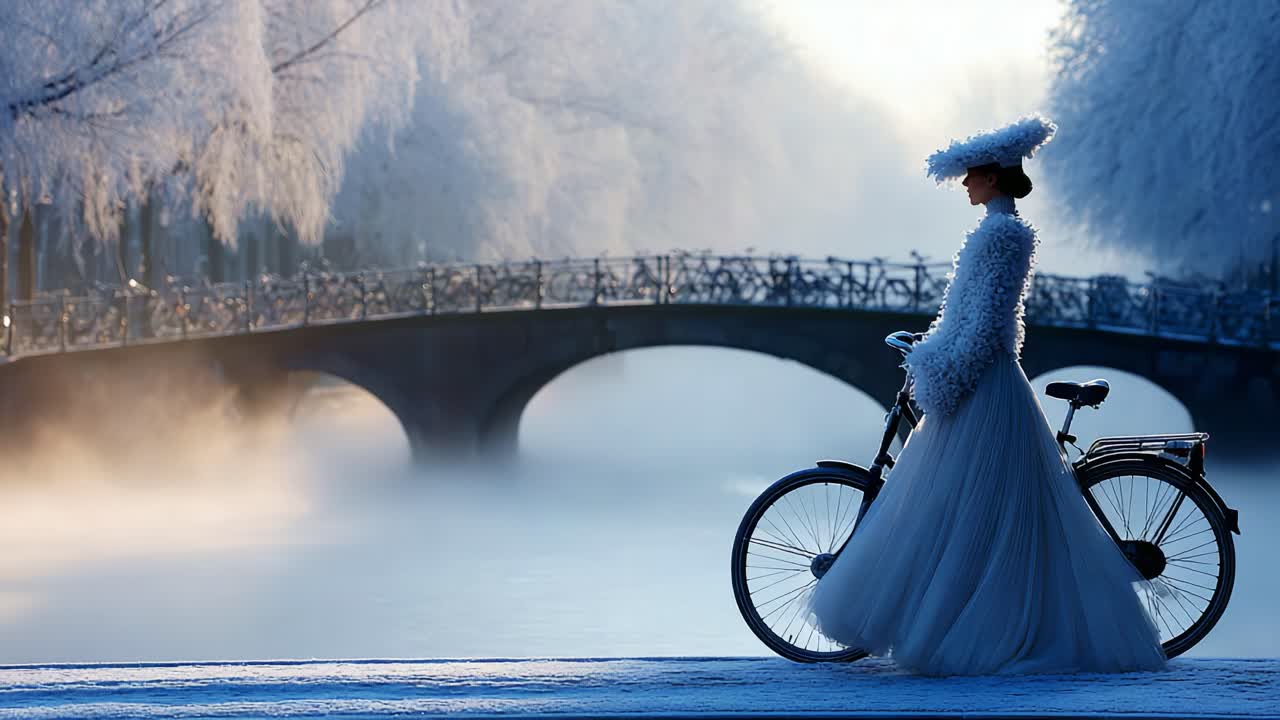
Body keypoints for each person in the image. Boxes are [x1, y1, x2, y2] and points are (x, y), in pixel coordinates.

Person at [804, 115, 1168, 676]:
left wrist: (943, 367)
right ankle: (962, 617)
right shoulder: (998, 232)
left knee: (973, 507)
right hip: (980, 375)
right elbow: (972, 315)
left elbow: (989, 321)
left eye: (972, 175)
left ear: (994, 178)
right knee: (973, 508)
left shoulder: (1002, 235)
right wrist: (940, 347)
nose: (966, 184)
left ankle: (976, 627)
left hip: (984, 384)